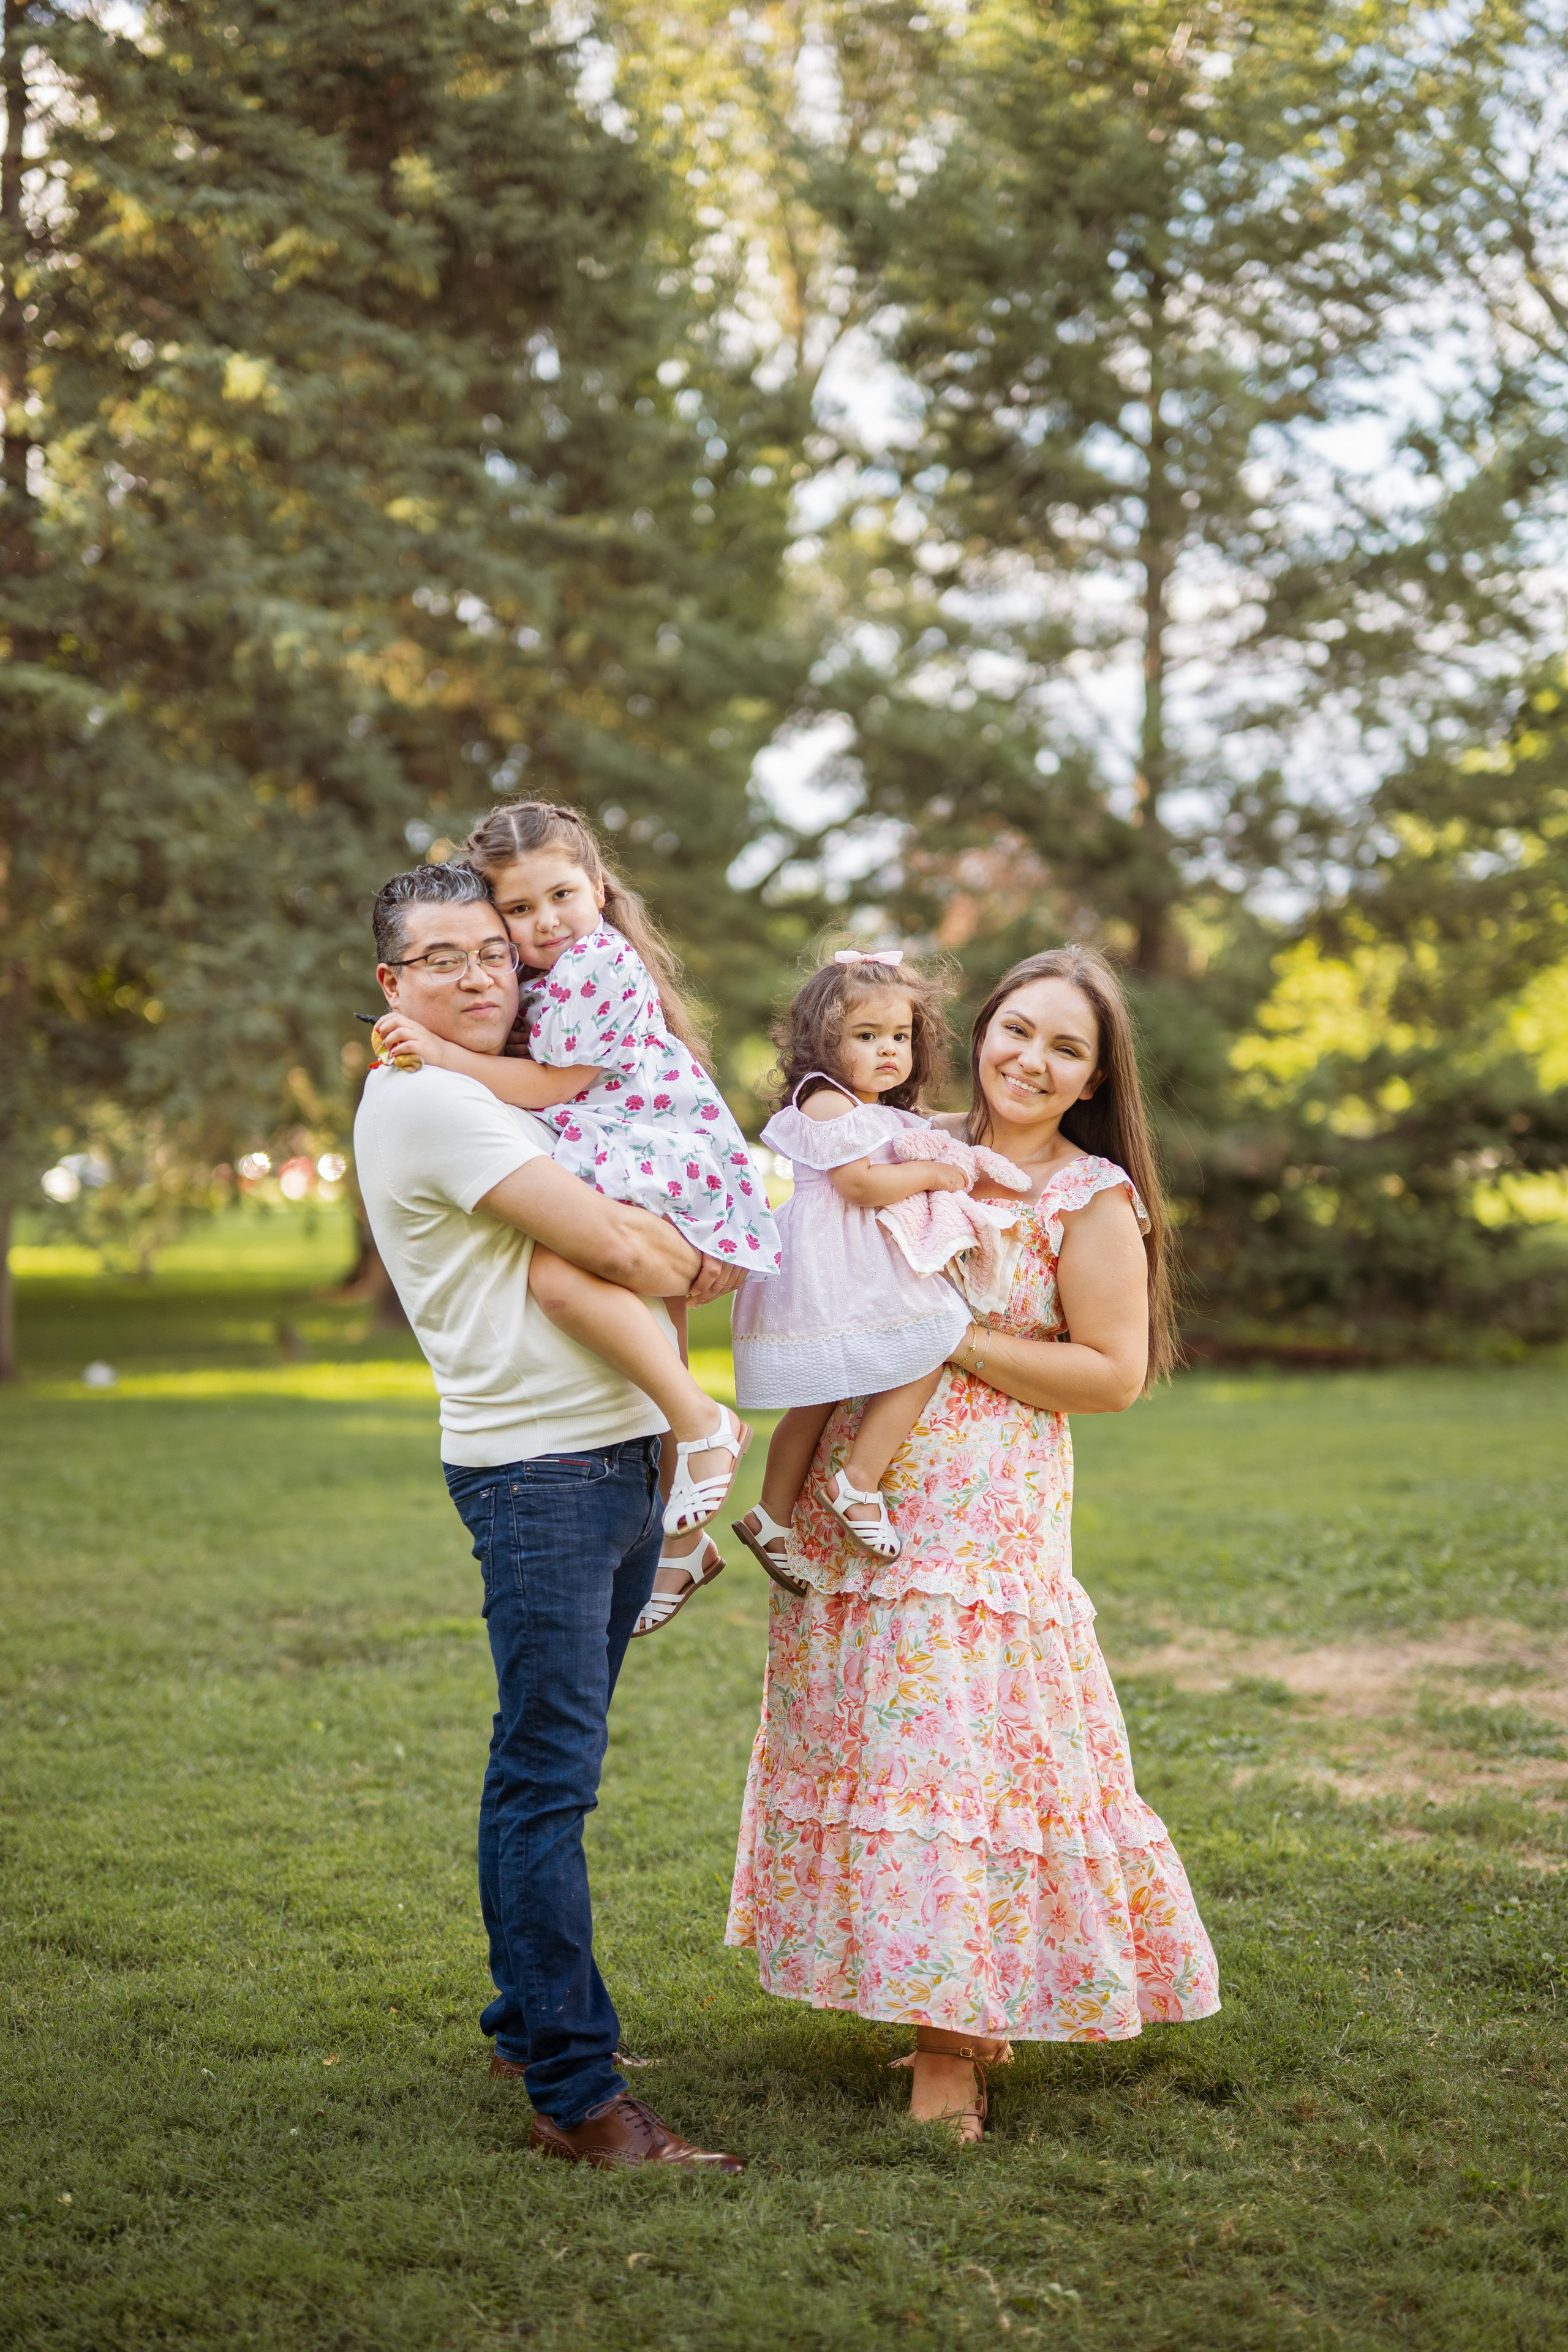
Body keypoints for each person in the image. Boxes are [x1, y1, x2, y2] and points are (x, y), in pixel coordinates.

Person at [726, 946, 1221, 2143]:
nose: (1029, 1061)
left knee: (952, 1760)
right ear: (979, 1029)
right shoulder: (900, 1141)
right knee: (880, 1749)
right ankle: (937, 1995)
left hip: (979, 1511)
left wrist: (951, 1344)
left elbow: (1109, 1374)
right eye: (1015, 1029)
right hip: (857, 1492)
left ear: (1094, 1079)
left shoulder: (1087, 1196)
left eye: (1065, 1048)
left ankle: (952, 2050)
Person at [355, 858, 746, 2171]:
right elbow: (629, 1253)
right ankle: (576, 2098)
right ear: (390, 985)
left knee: (545, 1766)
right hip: (542, 1477)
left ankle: (526, 2024)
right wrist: (703, 1248)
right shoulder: (432, 1104)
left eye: (490, 952)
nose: (478, 976)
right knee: (544, 1782)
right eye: (443, 960)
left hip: (609, 1458)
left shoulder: (490, 1080)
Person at [372, 797, 780, 1634]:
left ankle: (708, 1424)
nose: (544, 922)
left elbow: (556, 1088)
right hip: (628, 1141)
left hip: (654, 1146)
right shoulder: (531, 979)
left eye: (561, 896)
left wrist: (442, 1053)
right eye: (517, 910)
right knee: (654, 1330)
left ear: (598, 888)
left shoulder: (598, 965)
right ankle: (685, 1538)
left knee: (563, 1276)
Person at [729, 950, 990, 1581]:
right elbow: (860, 1186)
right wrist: (932, 1172)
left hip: (856, 1261)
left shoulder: (869, 1108)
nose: (888, 1050)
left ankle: (772, 1515)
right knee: (931, 1343)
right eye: (867, 1036)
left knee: (828, 1395)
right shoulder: (825, 1101)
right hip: (834, 1262)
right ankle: (856, 1481)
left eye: (899, 1036)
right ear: (823, 1041)